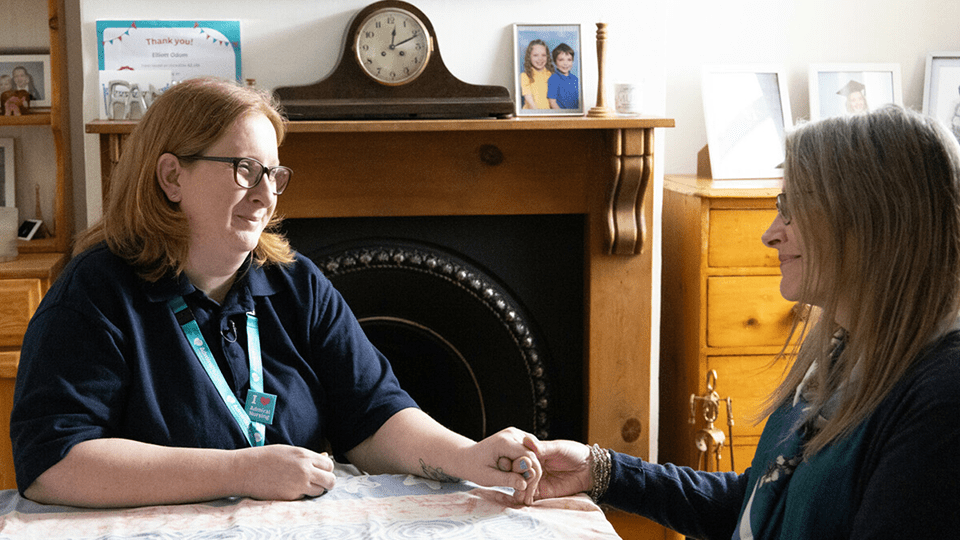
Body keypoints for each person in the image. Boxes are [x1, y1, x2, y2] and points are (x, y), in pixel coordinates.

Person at [10, 77, 542, 509]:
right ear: (172, 177)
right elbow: (53, 463)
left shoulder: (297, 284)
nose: (266, 196)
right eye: (245, 171)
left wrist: (468, 457)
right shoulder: (94, 293)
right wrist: (242, 470)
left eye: (274, 173)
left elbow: (375, 415)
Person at [523, 105, 960, 539]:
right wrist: (603, 471)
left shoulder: (942, 398)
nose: (770, 233)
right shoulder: (848, 350)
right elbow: (757, 505)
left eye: (791, 209)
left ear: (872, 219)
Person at [519, 39, 553, 110]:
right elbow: (529, 98)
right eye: (535, 55)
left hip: (548, 114)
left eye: (543, 55)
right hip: (532, 114)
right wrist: (538, 114)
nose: (540, 59)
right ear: (529, 57)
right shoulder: (525, 76)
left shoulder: (551, 75)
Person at [547, 43, 579, 110]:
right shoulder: (553, 79)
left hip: (575, 116)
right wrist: (563, 116)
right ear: (555, 62)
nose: (565, 63)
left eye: (569, 60)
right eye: (561, 60)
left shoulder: (575, 79)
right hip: (562, 116)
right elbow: (552, 102)